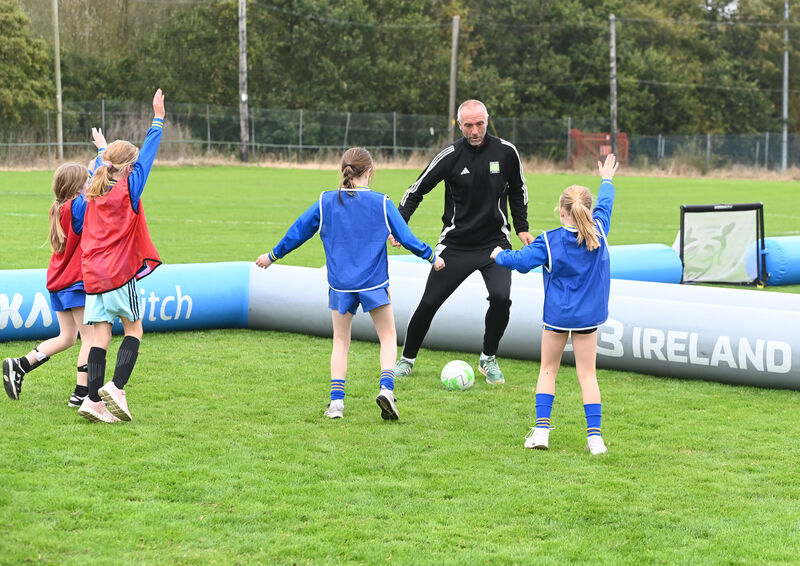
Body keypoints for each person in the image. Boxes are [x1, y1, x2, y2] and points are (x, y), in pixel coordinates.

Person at [256, 147, 445, 420]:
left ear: (343, 170)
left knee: (341, 342)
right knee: (388, 337)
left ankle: (336, 404)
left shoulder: (326, 200)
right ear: (370, 171)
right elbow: (406, 236)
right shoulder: (381, 202)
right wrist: (431, 256)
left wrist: (272, 255)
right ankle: (386, 390)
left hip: (340, 285)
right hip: (374, 283)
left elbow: (299, 231)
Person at [391, 99, 533, 384]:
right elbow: (416, 190)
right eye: (468, 125)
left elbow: (518, 189)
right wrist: (399, 225)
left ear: (487, 120)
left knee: (502, 299)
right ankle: (406, 359)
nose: (475, 130)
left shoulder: (506, 152)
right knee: (429, 302)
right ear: (459, 125)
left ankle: (488, 358)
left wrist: (522, 229)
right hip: (455, 245)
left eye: (480, 123)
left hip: (495, 245)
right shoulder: (451, 155)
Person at [491, 153, 619, 455]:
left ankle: (542, 432)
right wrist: (607, 180)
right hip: (589, 318)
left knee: (548, 370)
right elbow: (606, 205)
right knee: (588, 375)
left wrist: (498, 255)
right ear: (586, 211)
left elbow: (520, 263)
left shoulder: (549, 241)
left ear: (562, 211)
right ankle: (595, 439)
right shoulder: (599, 231)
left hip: (558, 317)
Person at [76, 89, 165, 424]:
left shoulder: (93, 190)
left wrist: (102, 149)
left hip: (93, 276)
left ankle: (92, 400)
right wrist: (158, 118)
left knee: (100, 335)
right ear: (129, 167)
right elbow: (149, 156)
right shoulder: (129, 189)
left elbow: (105, 164)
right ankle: (117, 387)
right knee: (135, 330)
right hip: (118, 273)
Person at [3, 130, 108, 406]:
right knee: (90, 337)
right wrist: (103, 155)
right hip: (76, 283)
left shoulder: (58, 208)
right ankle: (81, 393)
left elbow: (90, 179)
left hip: (58, 282)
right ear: (77, 189)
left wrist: (98, 156)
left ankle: (20, 365)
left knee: (67, 337)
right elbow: (98, 184)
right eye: (85, 181)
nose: (89, 183)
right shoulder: (78, 207)